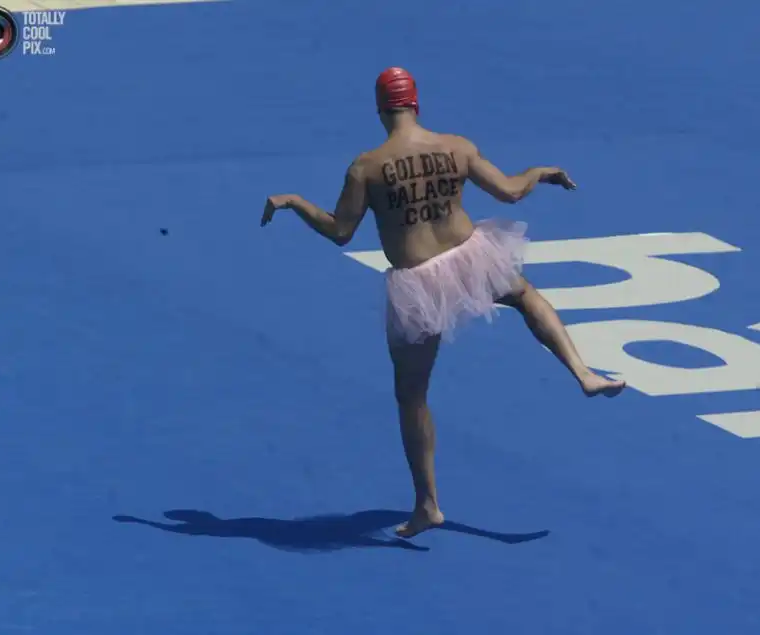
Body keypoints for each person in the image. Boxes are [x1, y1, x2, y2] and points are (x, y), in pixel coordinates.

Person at [261, 67, 626, 538]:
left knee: (412, 397)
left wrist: (295, 202)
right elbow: (511, 191)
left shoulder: (366, 167)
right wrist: (540, 172)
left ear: (380, 110)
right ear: (416, 104)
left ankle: (428, 504)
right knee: (525, 296)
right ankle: (583, 372)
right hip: (469, 257)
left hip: (417, 282)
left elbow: (340, 231)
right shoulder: (456, 147)